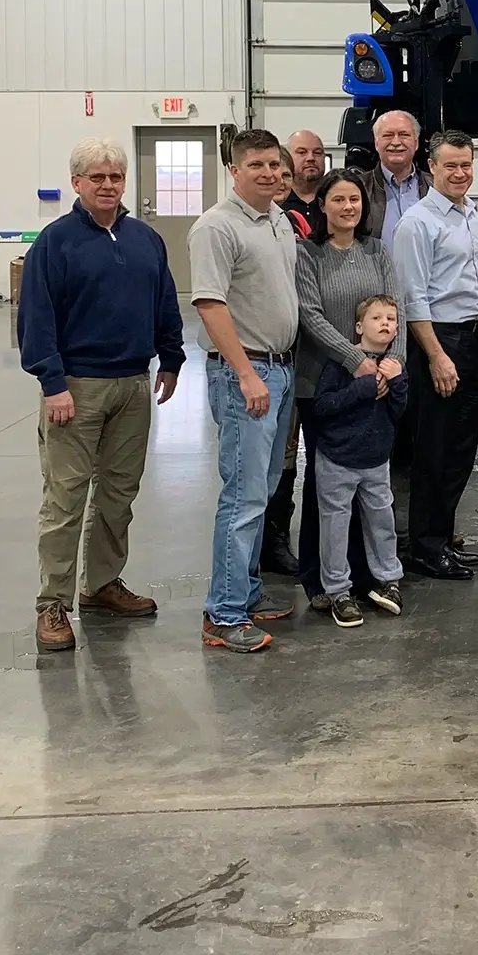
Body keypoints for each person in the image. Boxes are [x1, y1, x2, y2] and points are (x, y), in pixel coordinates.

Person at [18, 138, 184, 654]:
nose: (108, 185)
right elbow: (36, 319)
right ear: (77, 183)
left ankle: (102, 586)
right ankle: (52, 603)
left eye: (116, 177)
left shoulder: (145, 239)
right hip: (77, 388)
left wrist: (172, 356)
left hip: (134, 384)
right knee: (65, 499)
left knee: (118, 494)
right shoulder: (55, 242)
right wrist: (53, 383)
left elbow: (165, 300)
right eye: (97, 178)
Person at [189, 129, 299, 652]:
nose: (270, 173)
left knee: (264, 489)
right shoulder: (217, 226)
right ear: (235, 170)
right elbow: (210, 305)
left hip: (280, 370)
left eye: (276, 164)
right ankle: (224, 613)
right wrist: (246, 374)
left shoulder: (278, 220)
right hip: (247, 375)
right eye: (257, 165)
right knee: (243, 496)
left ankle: (246, 591)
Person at [293, 166, 406, 612]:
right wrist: (355, 359)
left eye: (354, 200)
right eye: (338, 199)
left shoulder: (377, 251)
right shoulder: (309, 254)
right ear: (322, 205)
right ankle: (323, 583)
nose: (347, 207)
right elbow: (310, 314)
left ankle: (370, 579)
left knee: (373, 490)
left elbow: (395, 309)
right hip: (324, 381)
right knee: (327, 490)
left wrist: (387, 366)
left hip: (375, 382)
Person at [393, 129, 478, 580]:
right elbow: (412, 298)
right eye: (449, 164)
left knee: (461, 451)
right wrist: (436, 356)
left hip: (472, 340)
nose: (459, 172)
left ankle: (443, 539)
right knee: (434, 451)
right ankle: (425, 547)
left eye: (465, 164)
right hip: (439, 343)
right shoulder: (417, 222)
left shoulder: (472, 212)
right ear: (430, 167)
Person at [311, 296, 409, 626]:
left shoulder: (394, 366)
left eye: (392, 319)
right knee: (335, 525)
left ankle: (389, 581)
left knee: (382, 521)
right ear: (358, 327)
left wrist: (396, 383)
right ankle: (338, 591)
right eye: (377, 317)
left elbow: (399, 411)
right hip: (338, 458)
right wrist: (362, 388)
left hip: (376, 460)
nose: (385, 324)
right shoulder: (342, 364)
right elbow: (322, 407)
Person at [261, 128, 330, 572]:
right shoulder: (267, 219)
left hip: (323, 353)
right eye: (297, 155)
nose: (308, 161)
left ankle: (327, 540)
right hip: (283, 351)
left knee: (326, 453)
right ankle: (274, 540)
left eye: (316, 153)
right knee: (281, 456)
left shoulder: (334, 204)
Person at [361, 109, 431, 251]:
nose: (396, 142)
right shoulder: (358, 187)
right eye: (388, 135)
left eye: (404, 135)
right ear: (376, 143)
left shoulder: (437, 187)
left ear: (416, 143)